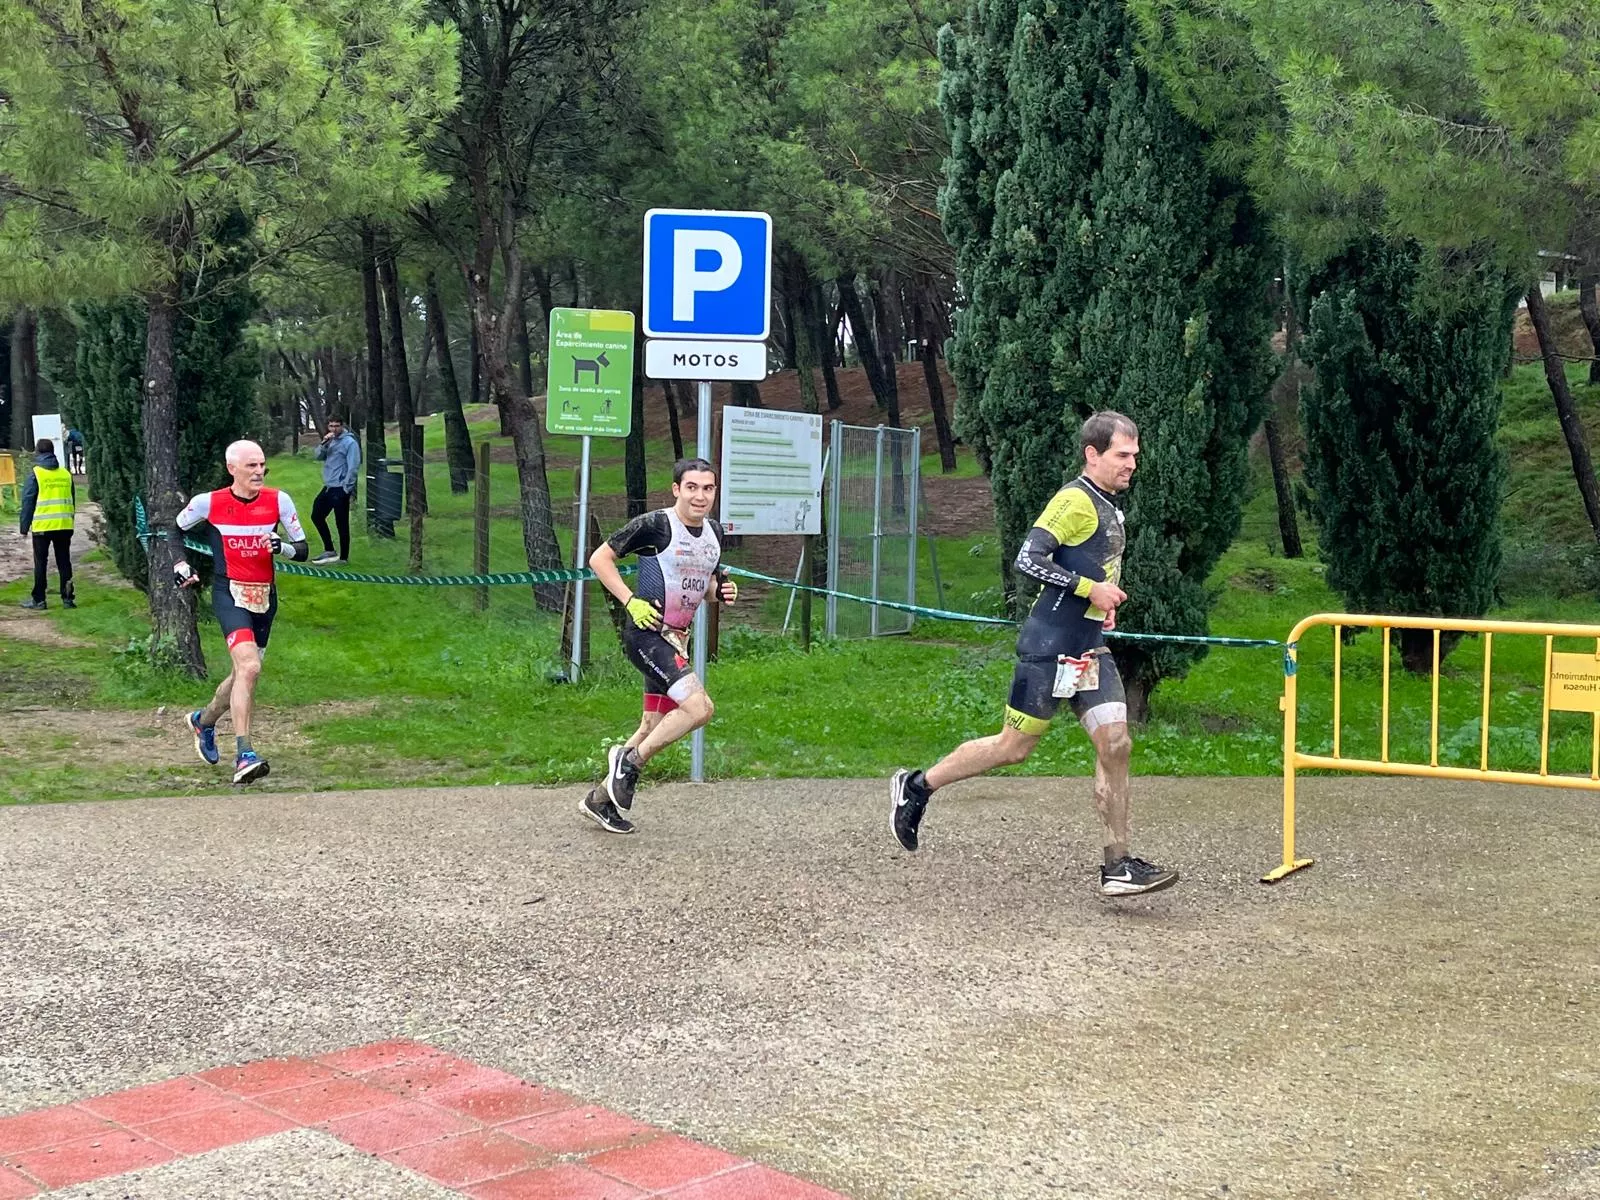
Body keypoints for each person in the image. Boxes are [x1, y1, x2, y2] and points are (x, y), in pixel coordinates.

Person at [888, 411, 1179, 897]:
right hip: (1048, 648)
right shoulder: (1075, 500)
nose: (1132, 464)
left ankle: (1118, 865)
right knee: (1013, 748)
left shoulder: (1107, 504)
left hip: (1088, 648)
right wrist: (1091, 588)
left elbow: (1092, 567)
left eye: (1134, 455)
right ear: (1093, 454)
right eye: (1122, 455)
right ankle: (917, 786)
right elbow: (1029, 558)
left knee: (1116, 744)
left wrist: (1104, 603)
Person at [582, 457, 738, 833]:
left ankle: (598, 801)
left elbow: (706, 587)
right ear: (676, 489)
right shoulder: (655, 524)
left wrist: (722, 592)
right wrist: (629, 601)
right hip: (645, 635)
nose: (700, 496)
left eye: (708, 488)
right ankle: (628, 763)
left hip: (675, 640)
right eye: (692, 487)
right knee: (700, 708)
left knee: (652, 724)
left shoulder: (715, 532)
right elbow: (599, 559)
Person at [174, 440, 309, 785]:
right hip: (229, 593)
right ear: (231, 468)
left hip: (265, 596)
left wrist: (284, 547)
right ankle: (244, 754)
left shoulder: (279, 501)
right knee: (249, 665)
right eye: (251, 466)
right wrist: (180, 563)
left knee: (243, 675)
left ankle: (203, 722)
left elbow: (304, 550)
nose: (259, 472)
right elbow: (174, 529)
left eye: (262, 465)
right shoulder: (210, 502)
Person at [18, 438, 76, 611]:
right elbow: (72, 499)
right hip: (64, 525)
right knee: (64, 562)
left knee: (41, 563)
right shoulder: (65, 474)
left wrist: (24, 527)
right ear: (53, 451)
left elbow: (28, 501)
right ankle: (67, 599)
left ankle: (39, 600)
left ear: (37, 452)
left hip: (43, 527)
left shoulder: (36, 474)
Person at [311, 416, 361, 563]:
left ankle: (343, 558)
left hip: (340, 487)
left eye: (337, 426)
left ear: (342, 426)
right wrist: (324, 444)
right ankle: (329, 550)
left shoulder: (350, 443)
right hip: (329, 486)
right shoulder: (330, 441)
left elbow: (353, 466)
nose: (334, 429)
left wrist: (347, 487)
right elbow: (318, 457)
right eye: (331, 426)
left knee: (341, 522)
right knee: (317, 515)